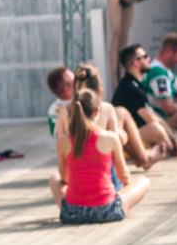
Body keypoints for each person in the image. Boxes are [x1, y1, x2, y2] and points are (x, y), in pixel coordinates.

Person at [58, 87, 150, 223]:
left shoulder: (64, 142)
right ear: (97, 112)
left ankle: (73, 206)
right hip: (107, 210)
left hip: (73, 212)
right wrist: (121, 192)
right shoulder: (110, 138)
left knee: (54, 179)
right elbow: (124, 176)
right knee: (143, 181)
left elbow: (65, 178)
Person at [113, 45, 177, 158]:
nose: (149, 59)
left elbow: (152, 115)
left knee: (162, 123)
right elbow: (150, 119)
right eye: (145, 56)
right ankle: (176, 150)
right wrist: (172, 137)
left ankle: (171, 149)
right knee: (156, 128)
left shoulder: (135, 84)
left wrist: (172, 134)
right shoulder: (130, 87)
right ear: (135, 62)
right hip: (126, 141)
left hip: (136, 135)